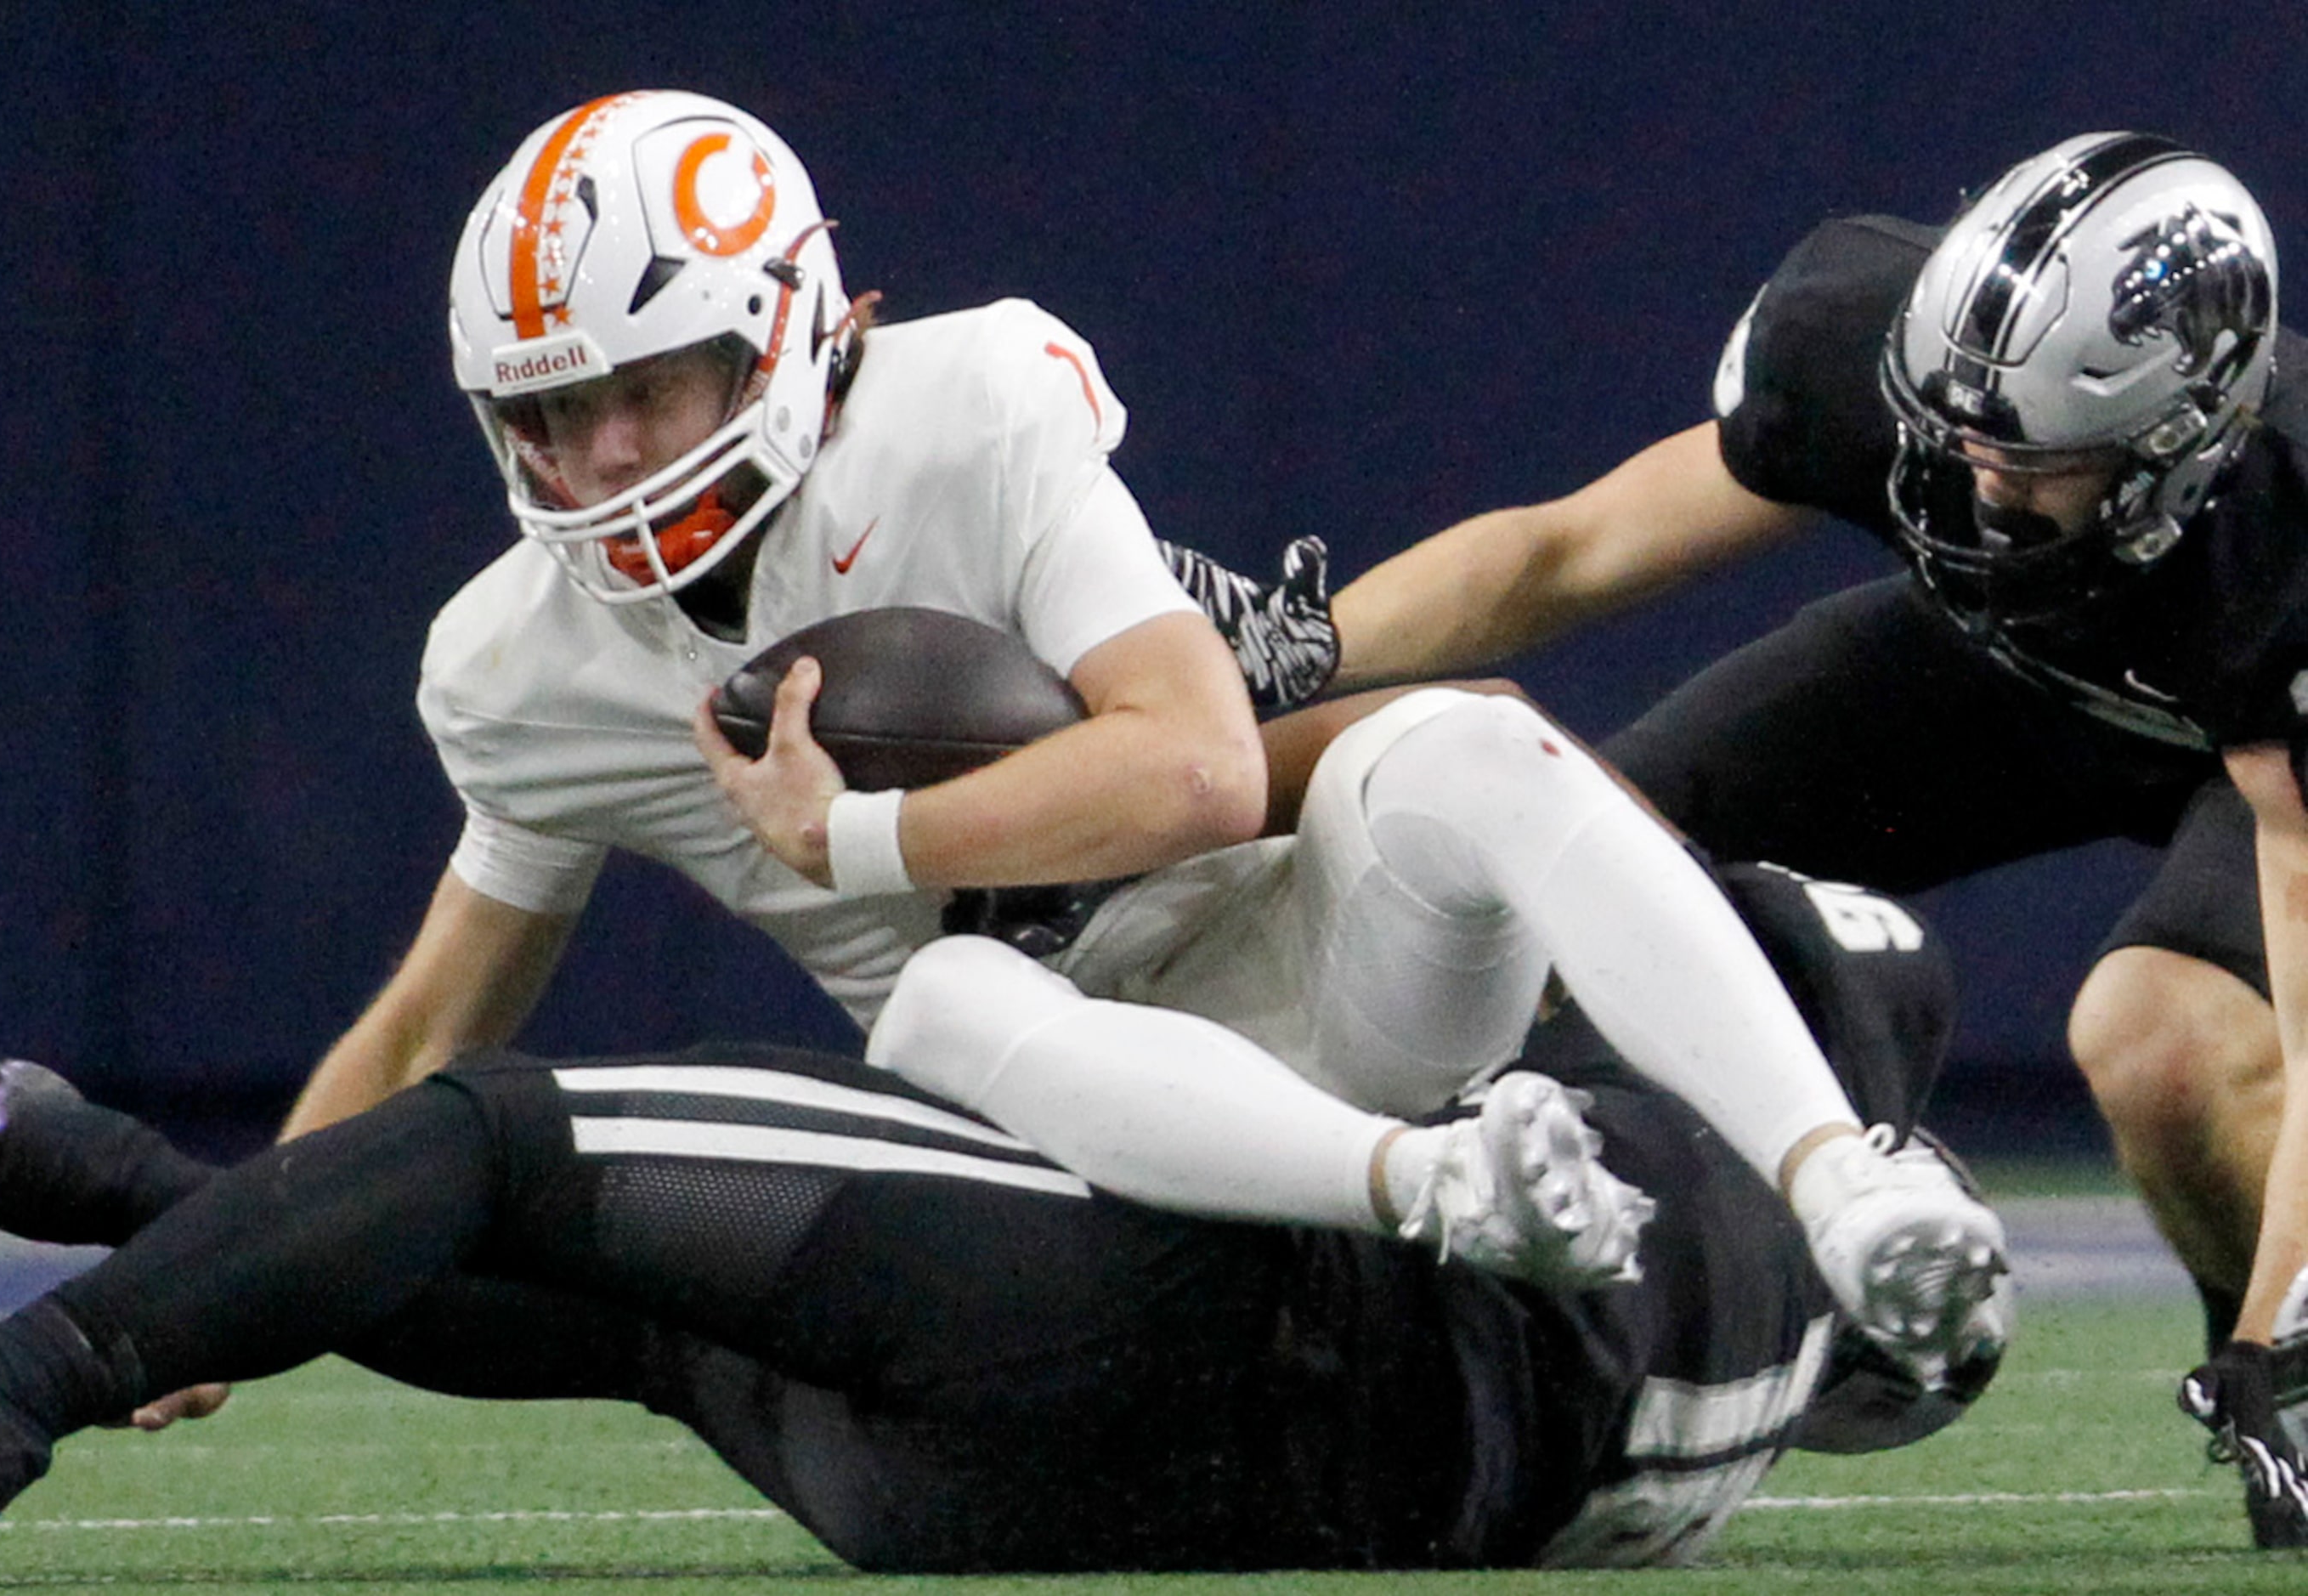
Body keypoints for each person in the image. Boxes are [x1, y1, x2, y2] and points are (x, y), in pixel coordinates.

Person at [262, 87, 2005, 1401]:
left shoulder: (972, 404)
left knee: (1472, 747)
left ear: (786, 327)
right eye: (553, 416)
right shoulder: (515, 664)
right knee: (942, 1002)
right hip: (1052, 1130)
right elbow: (440, 1009)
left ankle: (1840, 1191)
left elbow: (1198, 776)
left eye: (647, 387)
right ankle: (1449, 1192)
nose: (606, 456)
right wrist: (246, 1259)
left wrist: (853, 844)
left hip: (1285, 954)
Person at [1185, 130, 2308, 1543]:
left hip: (2251, 746)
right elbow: (1566, 550)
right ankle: (1352, 1295)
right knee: (1571, 872)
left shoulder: (2285, 543)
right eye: (1953, 436)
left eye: (2028, 462)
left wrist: (2278, 1322)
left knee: (2161, 1042)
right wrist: (1307, 646)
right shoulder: (1879, 359)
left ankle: (2277, 1372)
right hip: (2014, 672)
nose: (1971, 486)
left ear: (2178, 442)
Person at [0, 864, 2008, 1567]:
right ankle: (182, 1221)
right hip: (1200, 1490)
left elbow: (1516, 868)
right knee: (658, 1307)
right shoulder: (1796, 1339)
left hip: (1229, 1311)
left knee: (511, 1133)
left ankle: (12, 1373)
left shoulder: (1701, 1088)